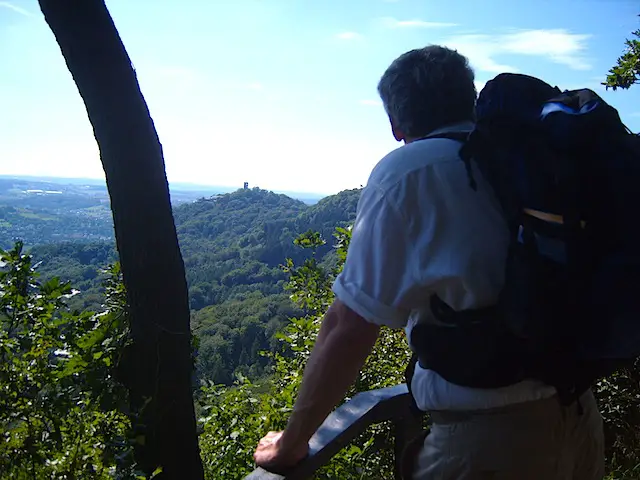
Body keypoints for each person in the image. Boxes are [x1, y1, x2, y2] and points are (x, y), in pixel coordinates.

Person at [253, 45, 605, 479]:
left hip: (490, 443)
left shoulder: (407, 172)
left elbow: (349, 326)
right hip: (580, 417)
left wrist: (290, 444)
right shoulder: (524, 159)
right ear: (469, 99)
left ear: (396, 124)